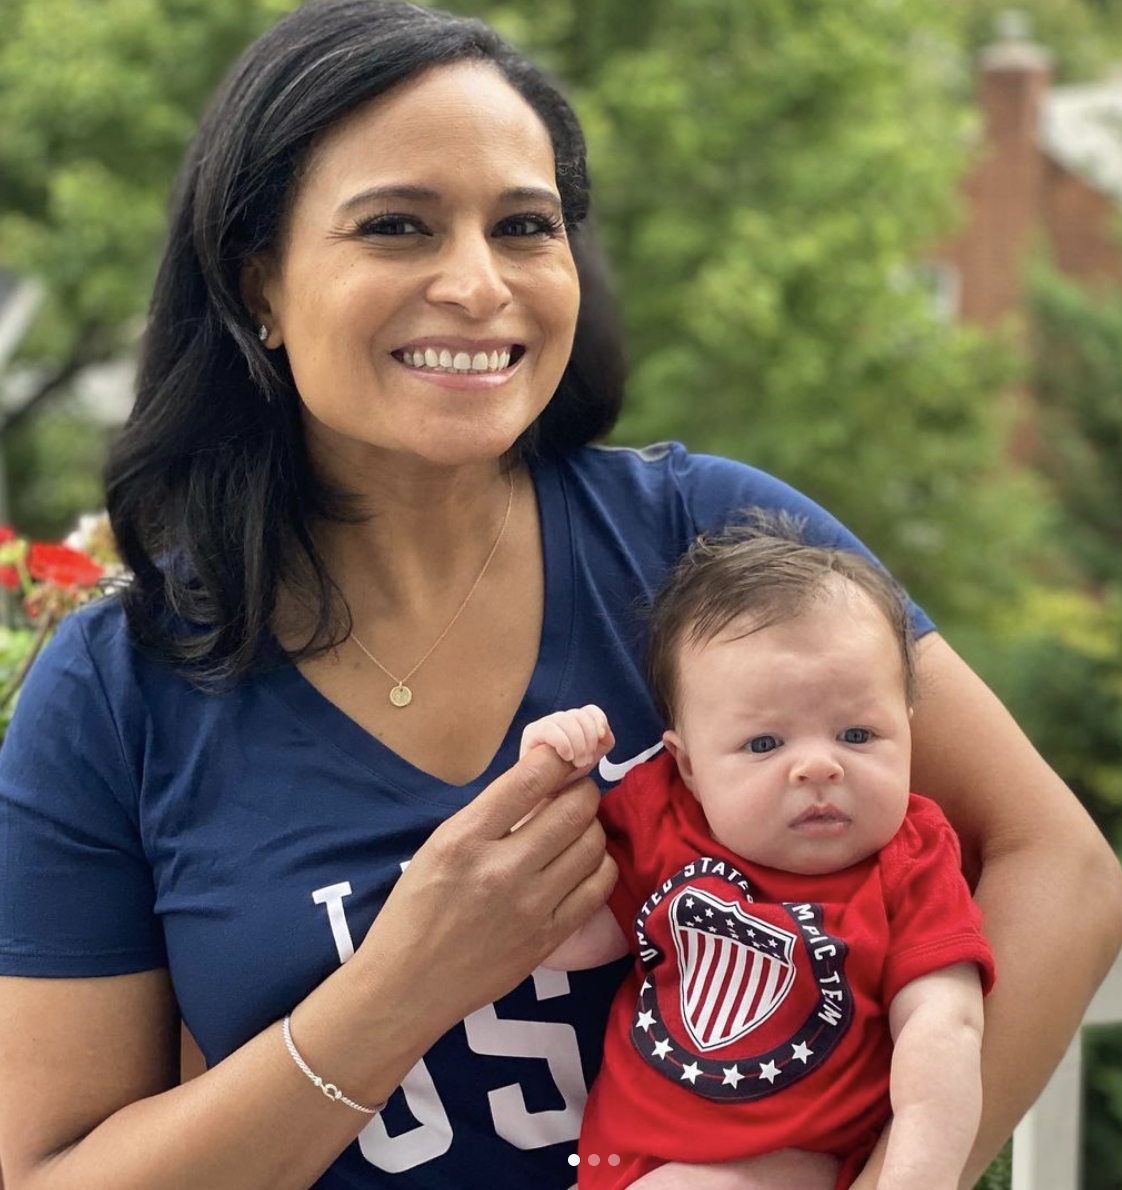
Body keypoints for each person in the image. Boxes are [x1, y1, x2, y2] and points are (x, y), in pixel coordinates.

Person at [0, 2, 1117, 1189]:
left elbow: (1061, 862)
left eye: (526, 226)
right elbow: (53, 1168)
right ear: (257, 283)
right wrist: (402, 986)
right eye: (397, 226)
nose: (480, 285)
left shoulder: (706, 540)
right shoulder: (122, 688)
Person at [519, 530, 996, 1190]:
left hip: (782, 1167)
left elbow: (945, 1027)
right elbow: (559, 938)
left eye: (857, 734)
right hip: (622, 1164)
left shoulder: (908, 858)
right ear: (687, 765)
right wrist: (543, 789)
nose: (818, 765)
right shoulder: (664, 819)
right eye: (764, 742)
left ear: (909, 727)